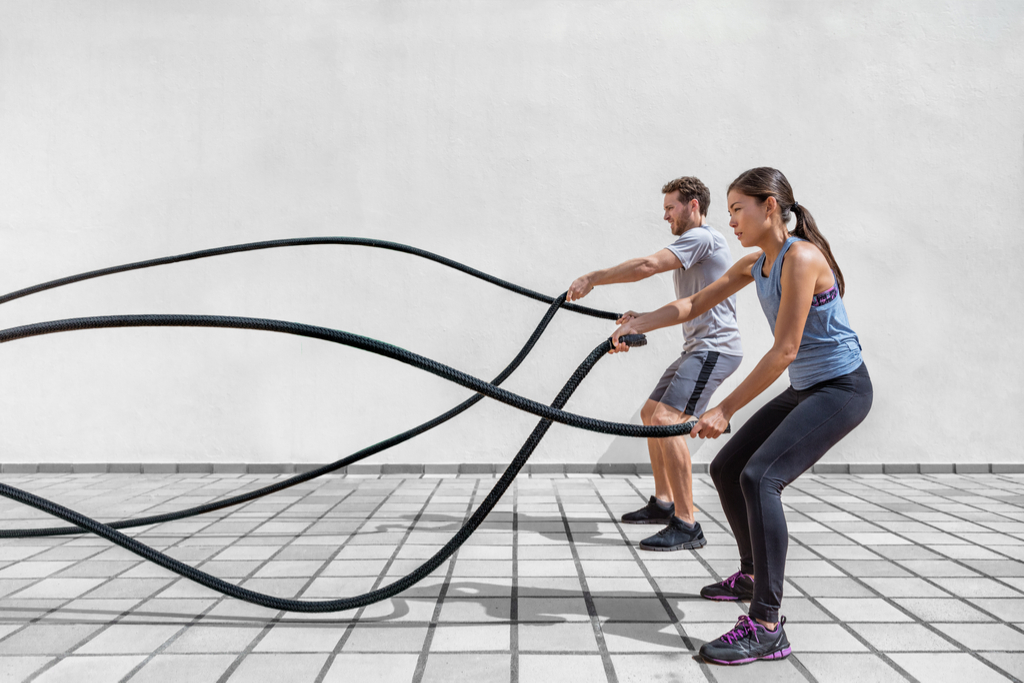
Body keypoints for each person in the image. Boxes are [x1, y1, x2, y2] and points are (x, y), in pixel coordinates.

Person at [610, 167, 872, 665]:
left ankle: (767, 625)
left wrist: (724, 407)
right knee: (727, 468)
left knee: (760, 477)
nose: (731, 220)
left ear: (769, 206)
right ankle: (751, 575)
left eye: (737, 209)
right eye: (729, 210)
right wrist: (639, 322)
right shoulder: (758, 263)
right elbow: (693, 303)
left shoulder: (801, 258)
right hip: (807, 389)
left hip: (842, 389)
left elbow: (785, 350)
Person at [568, 176, 742, 552]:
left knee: (667, 420)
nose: (665, 216)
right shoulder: (695, 246)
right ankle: (664, 503)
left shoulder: (702, 237)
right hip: (698, 347)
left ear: (693, 205)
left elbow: (648, 266)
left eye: (670, 208)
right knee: (651, 414)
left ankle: (687, 522)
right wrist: (641, 318)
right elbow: (689, 305)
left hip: (715, 349)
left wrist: (594, 278)